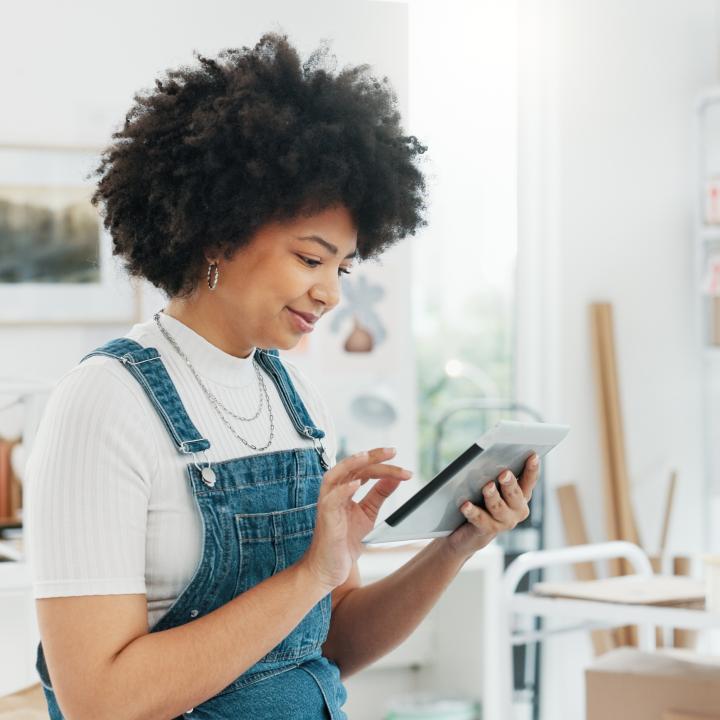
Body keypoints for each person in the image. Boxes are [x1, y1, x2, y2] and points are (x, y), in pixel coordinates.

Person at [25, 32, 539, 720]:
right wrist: (311, 574)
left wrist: (458, 544)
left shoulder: (294, 398)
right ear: (218, 232)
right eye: (310, 258)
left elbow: (328, 644)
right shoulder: (102, 404)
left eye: (343, 268)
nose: (330, 292)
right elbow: (100, 701)